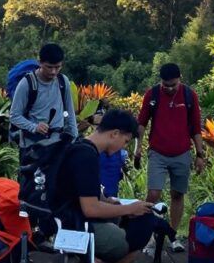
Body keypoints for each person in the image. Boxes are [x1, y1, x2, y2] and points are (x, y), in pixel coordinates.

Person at [51, 109, 157, 263]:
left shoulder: (81, 146)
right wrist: (130, 208)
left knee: (135, 219)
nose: (123, 147)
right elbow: (91, 209)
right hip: (76, 225)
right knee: (138, 232)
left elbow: (79, 191)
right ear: (114, 133)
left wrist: (107, 201)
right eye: (125, 141)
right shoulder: (86, 156)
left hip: (71, 217)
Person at [135, 63, 207, 253]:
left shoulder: (190, 96)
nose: (169, 88)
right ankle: (150, 236)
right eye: (165, 85)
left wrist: (200, 155)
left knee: (177, 194)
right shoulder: (153, 95)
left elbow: (195, 128)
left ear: (180, 79)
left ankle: (173, 235)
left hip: (182, 153)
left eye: (173, 85)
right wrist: (137, 148)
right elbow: (141, 123)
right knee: (153, 194)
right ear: (160, 81)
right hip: (157, 152)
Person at [9, 43, 79, 149]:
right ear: (40, 63)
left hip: (57, 140)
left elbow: (70, 111)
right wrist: (34, 127)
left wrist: (74, 136)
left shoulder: (63, 81)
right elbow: (14, 116)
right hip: (33, 145)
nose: (53, 71)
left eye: (57, 67)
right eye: (49, 67)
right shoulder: (27, 84)